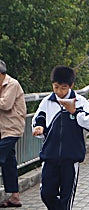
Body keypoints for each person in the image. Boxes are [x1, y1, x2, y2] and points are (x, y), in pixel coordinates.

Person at [32, 65, 89, 210]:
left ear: (71, 86)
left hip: (70, 159)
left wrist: (75, 112)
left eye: (63, 88)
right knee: (46, 193)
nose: (59, 91)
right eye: (56, 87)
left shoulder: (80, 102)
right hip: (50, 157)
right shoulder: (47, 102)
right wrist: (39, 128)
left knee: (66, 199)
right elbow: (39, 118)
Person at [0, 60, 25, 208]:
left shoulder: (12, 84)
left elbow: (6, 104)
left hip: (12, 129)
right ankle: (14, 196)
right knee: (9, 163)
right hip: (3, 130)